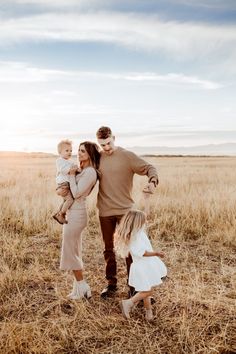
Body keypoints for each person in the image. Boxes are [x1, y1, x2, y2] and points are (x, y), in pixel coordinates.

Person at [96, 126, 159, 298]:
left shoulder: (127, 156)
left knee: (131, 251)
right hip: (105, 211)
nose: (106, 147)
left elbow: (150, 168)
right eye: (102, 145)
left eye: (109, 143)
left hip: (125, 212)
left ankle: (134, 287)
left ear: (114, 138)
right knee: (108, 249)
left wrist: (152, 183)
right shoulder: (98, 157)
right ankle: (111, 285)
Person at [59, 141, 100, 299]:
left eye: (83, 151)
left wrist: (70, 176)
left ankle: (83, 287)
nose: (79, 153)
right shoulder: (82, 170)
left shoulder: (90, 172)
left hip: (77, 215)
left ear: (90, 154)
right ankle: (78, 290)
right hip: (72, 212)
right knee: (74, 251)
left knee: (70, 251)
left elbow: (75, 193)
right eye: (79, 150)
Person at [114, 210, 167, 321]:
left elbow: (145, 213)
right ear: (137, 223)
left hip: (146, 266)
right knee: (148, 291)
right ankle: (128, 303)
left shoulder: (139, 232)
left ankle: (149, 312)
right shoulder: (135, 236)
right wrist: (156, 253)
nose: (146, 222)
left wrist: (146, 198)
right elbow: (142, 252)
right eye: (143, 221)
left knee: (146, 289)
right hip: (142, 267)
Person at [53, 139, 78, 225]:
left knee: (65, 201)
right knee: (70, 200)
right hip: (63, 185)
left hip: (67, 184)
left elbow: (74, 169)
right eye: (67, 150)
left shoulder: (69, 161)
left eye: (71, 150)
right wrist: (72, 169)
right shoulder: (59, 161)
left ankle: (59, 214)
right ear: (60, 152)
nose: (69, 152)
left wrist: (76, 168)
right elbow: (62, 170)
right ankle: (61, 214)